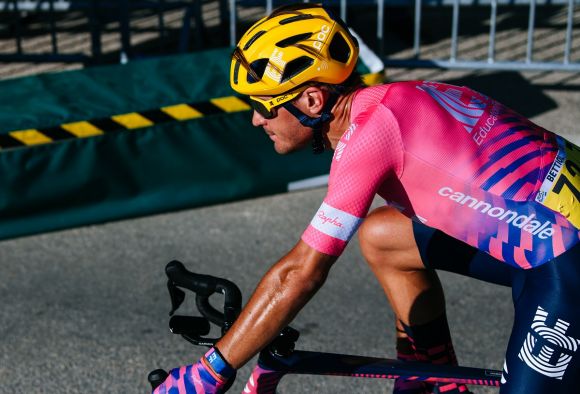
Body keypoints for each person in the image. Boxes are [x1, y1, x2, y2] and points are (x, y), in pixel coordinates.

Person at [153, 4, 580, 393]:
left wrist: (208, 371)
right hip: (550, 234)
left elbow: (301, 272)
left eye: (264, 105)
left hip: (564, 261)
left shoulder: (367, 139)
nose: (255, 119)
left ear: (312, 99)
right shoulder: (403, 96)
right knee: (382, 235)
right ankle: (432, 379)